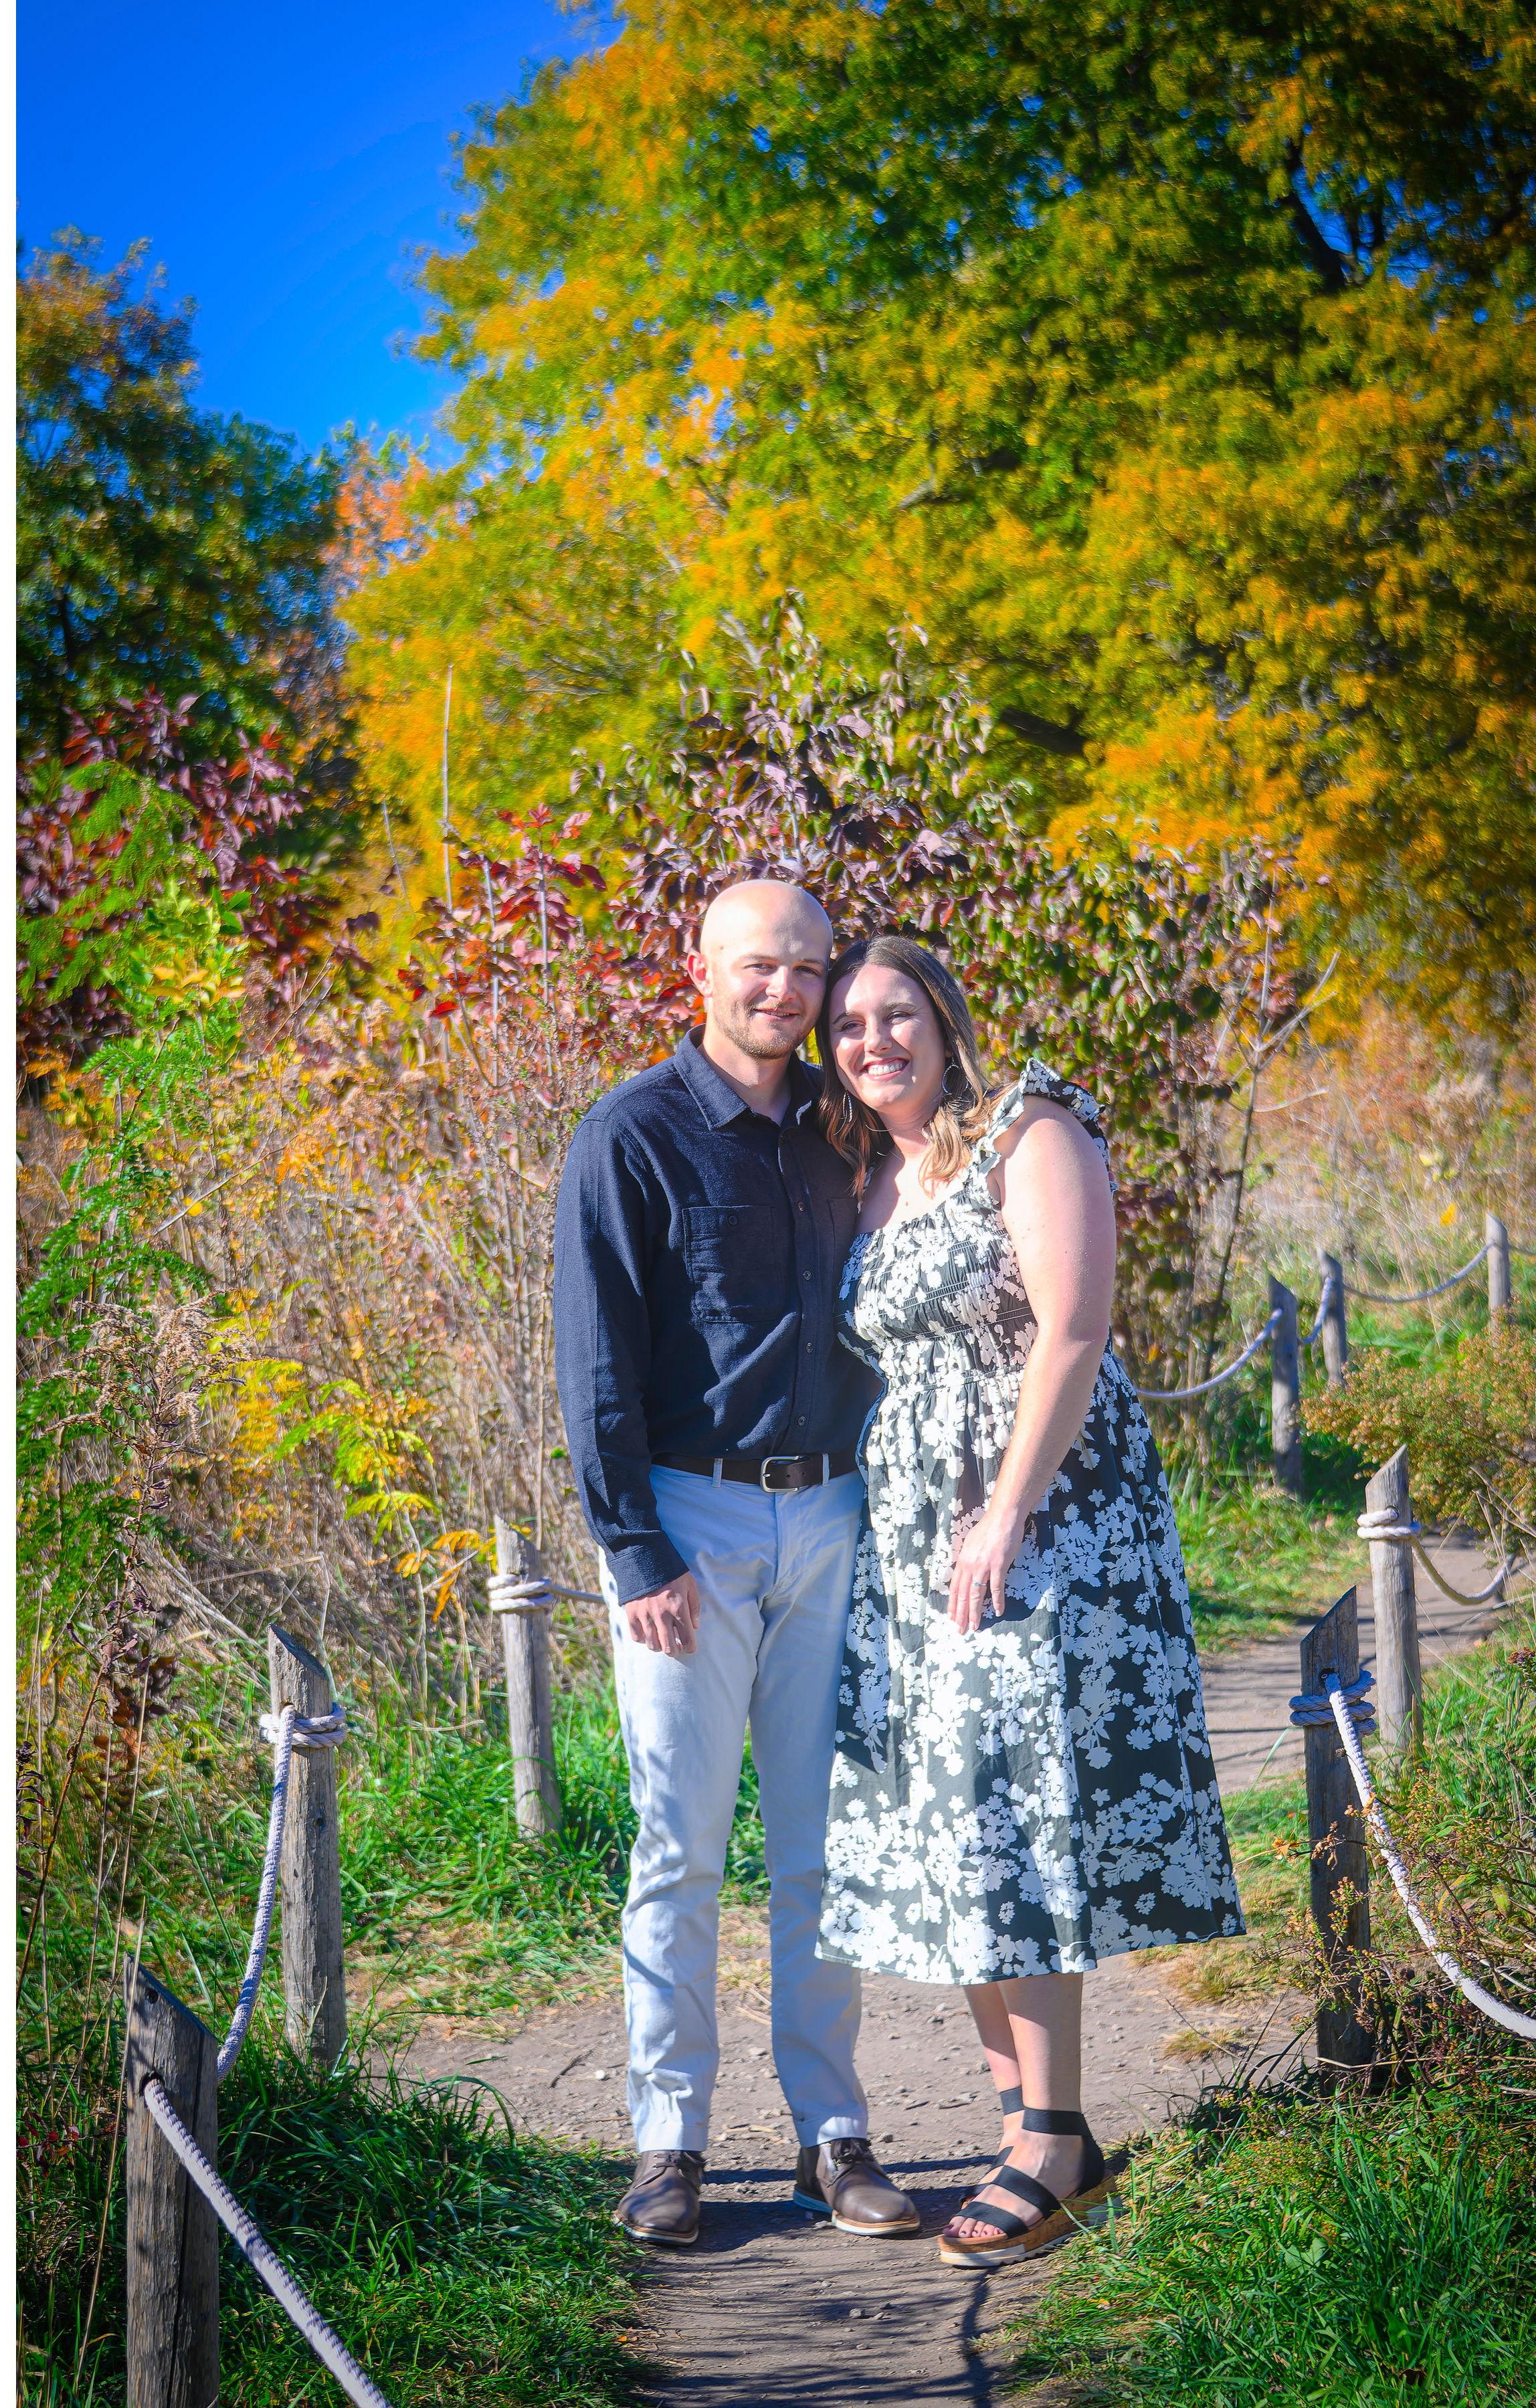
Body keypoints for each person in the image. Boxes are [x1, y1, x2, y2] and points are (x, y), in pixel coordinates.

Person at [811, 933, 1244, 2268]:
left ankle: (1056, 2140)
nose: (873, 1042)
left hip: (1041, 1521)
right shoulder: (874, 1179)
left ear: (944, 1021)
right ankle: (1028, 2132)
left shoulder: (1028, 1128)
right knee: (955, 1820)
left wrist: (1004, 1510)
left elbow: (1074, 1328)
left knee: (1014, 1808)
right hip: (913, 1546)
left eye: (896, 1013)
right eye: (848, 1027)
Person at [553, 879, 919, 2250]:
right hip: (687, 1531)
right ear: (701, 967)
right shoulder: (632, 1135)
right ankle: (670, 2146)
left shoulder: (843, 1131)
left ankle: (835, 2137)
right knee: (680, 1850)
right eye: (762, 964)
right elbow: (594, 1358)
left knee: (825, 1853)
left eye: (809, 969)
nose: (787, 990)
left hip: (834, 1524)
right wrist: (632, 1545)